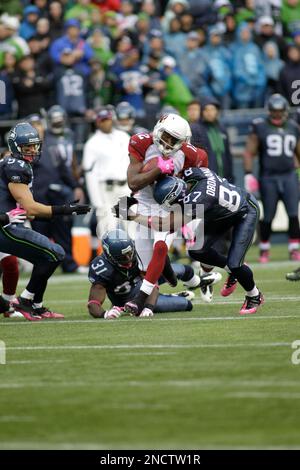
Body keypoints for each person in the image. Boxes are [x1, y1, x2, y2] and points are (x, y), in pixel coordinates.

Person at [128, 166, 263, 315]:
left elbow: (166, 224)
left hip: (244, 212)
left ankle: (254, 295)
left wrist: (134, 216)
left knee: (235, 264)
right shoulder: (189, 173)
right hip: (220, 212)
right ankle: (233, 270)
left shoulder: (198, 201)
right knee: (196, 250)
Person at [118, 113, 208, 316]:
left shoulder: (192, 155)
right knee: (145, 264)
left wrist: (185, 191)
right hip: (145, 203)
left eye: (174, 140)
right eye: (166, 136)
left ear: (182, 141)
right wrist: (158, 170)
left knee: (160, 247)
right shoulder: (141, 142)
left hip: (170, 206)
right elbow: (133, 182)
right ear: (158, 129)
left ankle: (144, 304)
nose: (168, 143)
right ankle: (176, 281)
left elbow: (203, 180)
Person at [0, 122, 90, 321]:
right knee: (55, 253)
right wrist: (65, 209)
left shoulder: (16, 164)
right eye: (27, 148)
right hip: (5, 226)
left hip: (9, 223)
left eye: (34, 146)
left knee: (45, 257)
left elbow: (29, 213)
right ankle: (24, 300)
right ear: (16, 148)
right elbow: (31, 209)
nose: (32, 151)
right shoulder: (16, 165)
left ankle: (36, 305)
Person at [87, 228, 220, 318]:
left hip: (146, 284)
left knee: (185, 270)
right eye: (123, 256)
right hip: (131, 299)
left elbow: (152, 281)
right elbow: (93, 304)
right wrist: (105, 314)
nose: (128, 258)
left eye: (129, 253)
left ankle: (198, 282)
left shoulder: (138, 249)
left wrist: (149, 307)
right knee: (186, 305)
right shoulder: (102, 268)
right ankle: (173, 296)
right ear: (109, 256)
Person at [244, 93, 300, 263]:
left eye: (279, 111)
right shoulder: (260, 126)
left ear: (284, 111)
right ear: (269, 111)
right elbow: (249, 151)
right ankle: (264, 249)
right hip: (268, 177)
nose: (277, 114)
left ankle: (294, 249)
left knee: (293, 213)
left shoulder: (293, 127)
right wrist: (247, 173)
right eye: (274, 111)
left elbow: (298, 152)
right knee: (268, 215)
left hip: (289, 175)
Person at [30, 108, 85, 274]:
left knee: (63, 231)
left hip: (56, 197)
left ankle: (69, 264)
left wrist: (76, 186)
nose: (37, 127)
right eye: (33, 125)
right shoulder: (24, 149)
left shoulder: (52, 144)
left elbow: (63, 169)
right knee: (40, 234)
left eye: (39, 124)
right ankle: (43, 266)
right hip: (37, 198)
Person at [83, 106, 130, 238]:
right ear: (97, 122)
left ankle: (136, 259)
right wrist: (96, 201)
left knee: (133, 229)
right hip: (106, 191)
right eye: (103, 120)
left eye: (108, 120)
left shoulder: (123, 136)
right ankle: (109, 258)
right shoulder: (92, 143)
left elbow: (131, 163)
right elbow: (89, 173)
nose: (106, 123)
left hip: (125, 187)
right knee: (108, 232)